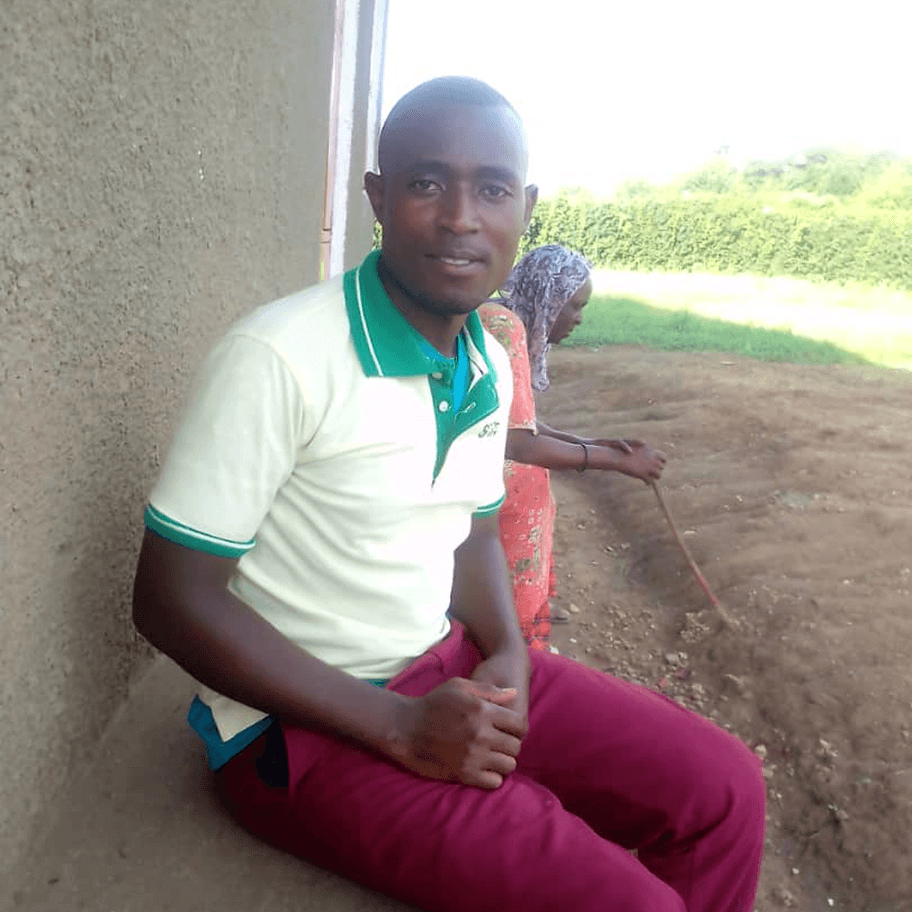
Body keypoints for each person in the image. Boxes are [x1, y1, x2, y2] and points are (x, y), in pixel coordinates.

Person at [132, 76, 764, 912]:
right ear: (378, 197)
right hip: (297, 727)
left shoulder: (487, 361)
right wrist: (397, 727)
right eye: (427, 183)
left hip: (449, 665)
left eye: (493, 189)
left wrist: (507, 651)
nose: (461, 217)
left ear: (524, 209)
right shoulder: (280, 356)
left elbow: (470, 532)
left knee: (726, 791)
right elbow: (171, 600)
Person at [479, 245, 666, 648]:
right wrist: (613, 460)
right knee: (506, 626)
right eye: (575, 306)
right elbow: (516, 442)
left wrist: (586, 442)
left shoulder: (505, 321)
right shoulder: (503, 327)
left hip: (501, 503)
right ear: (550, 297)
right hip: (496, 506)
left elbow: (518, 420)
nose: (579, 319)